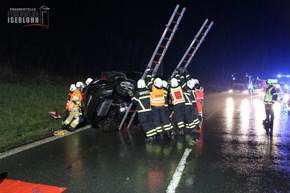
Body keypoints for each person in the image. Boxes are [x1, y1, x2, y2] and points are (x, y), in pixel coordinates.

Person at [146, 69, 173, 139]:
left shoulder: (152, 88)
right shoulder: (162, 88)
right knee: (165, 119)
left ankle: (160, 134)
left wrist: (149, 73)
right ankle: (168, 133)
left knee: (156, 120)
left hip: (154, 107)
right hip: (162, 106)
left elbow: (148, 81)